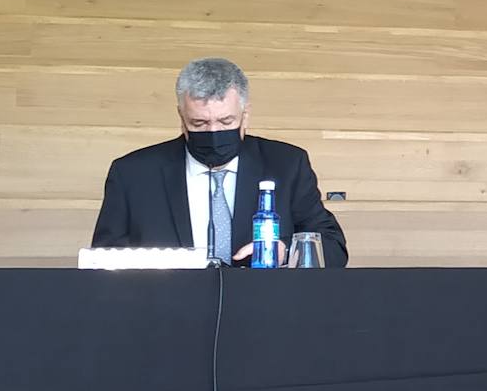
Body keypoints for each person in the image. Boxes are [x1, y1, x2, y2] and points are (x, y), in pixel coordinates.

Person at [91, 57, 348, 267]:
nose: (213, 132)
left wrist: (284, 251)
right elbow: (102, 260)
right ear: (181, 117)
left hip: (265, 314)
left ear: (245, 116)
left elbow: (331, 245)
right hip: (164, 315)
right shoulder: (133, 174)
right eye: (199, 123)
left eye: (226, 122)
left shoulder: (287, 164)